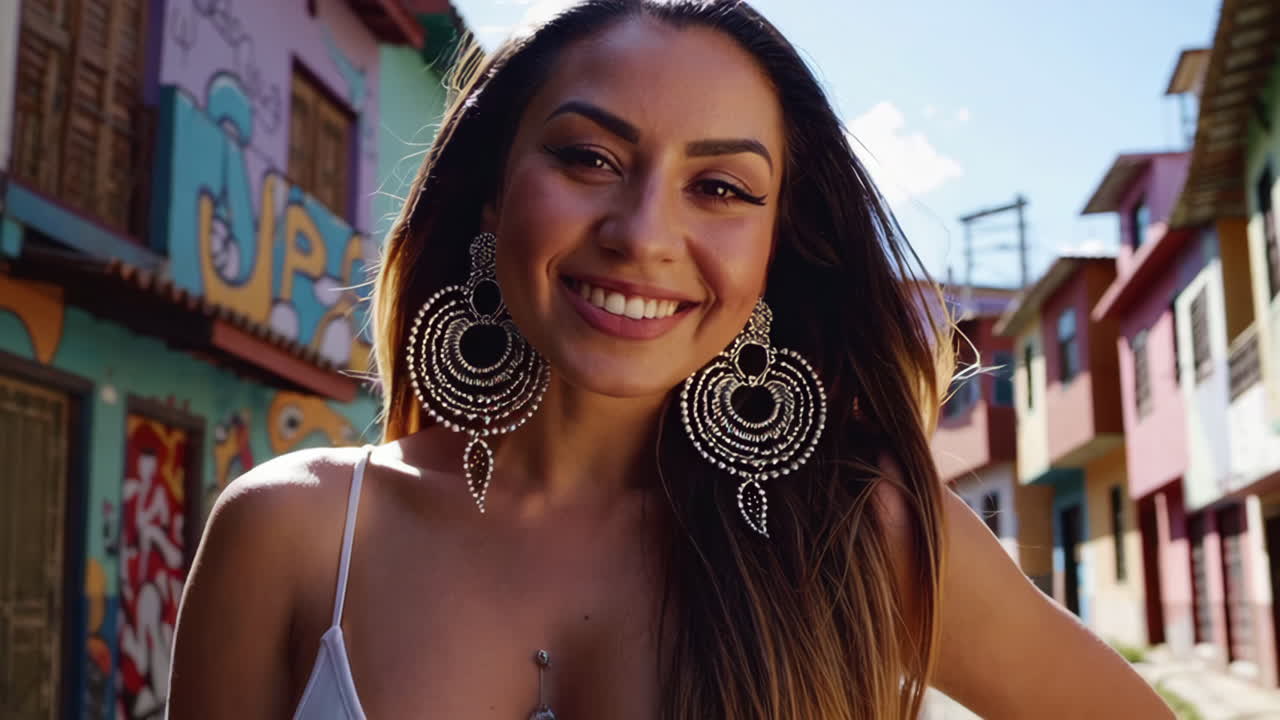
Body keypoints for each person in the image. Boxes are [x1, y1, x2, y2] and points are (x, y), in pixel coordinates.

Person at [167, 1, 1174, 718]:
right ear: (493, 195)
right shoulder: (292, 533)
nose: (642, 234)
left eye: (722, 189)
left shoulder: (860, 535)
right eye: (587, 159)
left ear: (776, 247)